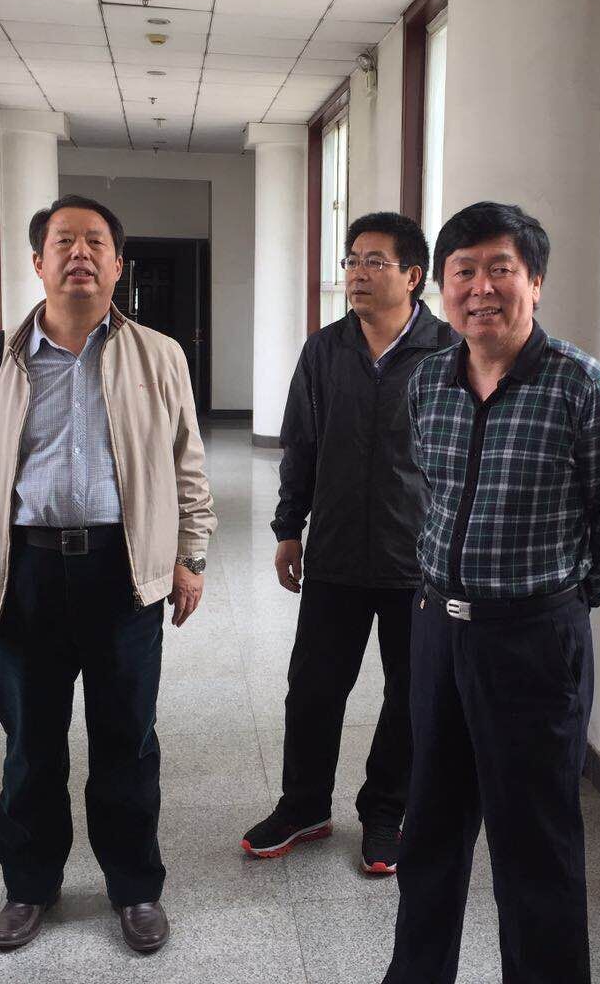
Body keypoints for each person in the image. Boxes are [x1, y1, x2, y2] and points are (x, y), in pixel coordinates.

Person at [0, 194, 215, 955]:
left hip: (125, 571)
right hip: (24, 571)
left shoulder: (158, 355)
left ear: (119, 264)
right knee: (30, 746)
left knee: (128, 741)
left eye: (96, 242)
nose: (80, 254)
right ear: (38, 261)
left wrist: (190, 557)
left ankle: (135, 888)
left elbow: (187, 464)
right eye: (64, 241)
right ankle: (29, 886)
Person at [383, 202, 600, 984]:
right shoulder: (429, 381)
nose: (481, 288)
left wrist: (561, 603)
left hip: (532, 641)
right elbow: (433, 495)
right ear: (439, 287)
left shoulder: (579, 385)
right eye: (463, 272)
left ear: (535, 281)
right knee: (429, 830)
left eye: (501, 269)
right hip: (437, 629)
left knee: (536, 847)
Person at [242, 212, 453, 874]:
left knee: (408, 695)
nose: (358, 274)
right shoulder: (325, 350)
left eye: (374, 262)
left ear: (412, 276)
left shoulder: (448, 352)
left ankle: (386, 811)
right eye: (352, 261)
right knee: (312, 688)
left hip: (417, 560)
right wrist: (288, 528)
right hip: (334, 552)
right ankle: (303, 806)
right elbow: (300, 444)